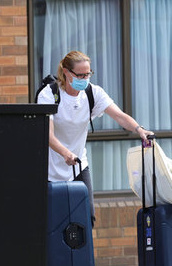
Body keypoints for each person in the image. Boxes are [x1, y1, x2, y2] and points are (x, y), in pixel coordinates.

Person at [37, 50, 153, 224]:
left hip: (78, 164)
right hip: (51, 167)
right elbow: (47, 134)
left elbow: (120, 116)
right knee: (53, 220)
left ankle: (85, 252)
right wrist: (65, 153)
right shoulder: (49, 95)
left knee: (87, 216)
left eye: (88, 74)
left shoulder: (93, 93)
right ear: (67, 72)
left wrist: (139, 129)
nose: (85, 79)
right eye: (80, 75)